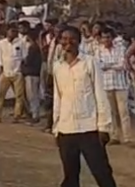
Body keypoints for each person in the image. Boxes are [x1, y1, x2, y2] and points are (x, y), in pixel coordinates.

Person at [51, 25, 117, 187]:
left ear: (79, 41)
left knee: (102, 173)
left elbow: (100, 94)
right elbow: (58, 98)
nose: (68, 43)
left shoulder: (90, 63)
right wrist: (56, 127)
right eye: (64, 39)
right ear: (59, 41)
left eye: (72, 39)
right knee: (70, 175)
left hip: (90, 128)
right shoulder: (58, 67)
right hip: (66, 129)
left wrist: (104, 127)